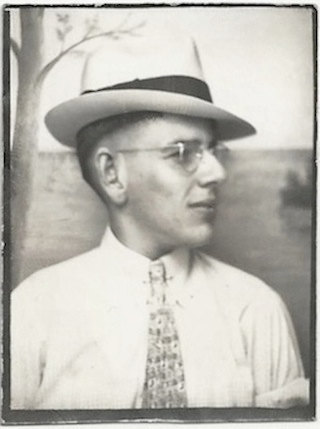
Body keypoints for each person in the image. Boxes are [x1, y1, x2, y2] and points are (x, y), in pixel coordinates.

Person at [11, 35, 309, 410]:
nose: (216, 172)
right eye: (183, 152)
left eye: (215, 151)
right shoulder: (31, 312)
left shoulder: (256, 310)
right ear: (112, 174)